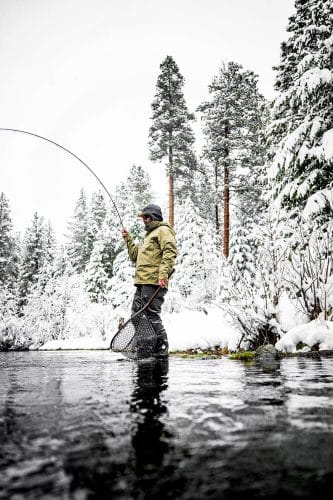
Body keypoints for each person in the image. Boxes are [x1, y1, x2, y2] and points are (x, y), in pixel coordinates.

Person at [121, 204, 177, 358]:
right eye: (143, 217)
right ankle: (144, 347)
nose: (144, 220)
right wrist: (128, 239)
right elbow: (135, 256)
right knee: (137, 315)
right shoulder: (147, 237)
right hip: (141, 282)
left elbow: (170, 250)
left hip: (154, 282)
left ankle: (161, 349)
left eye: (146, 217)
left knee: (151, 314)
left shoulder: (163, 230)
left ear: (154, 217)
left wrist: (163, 274)